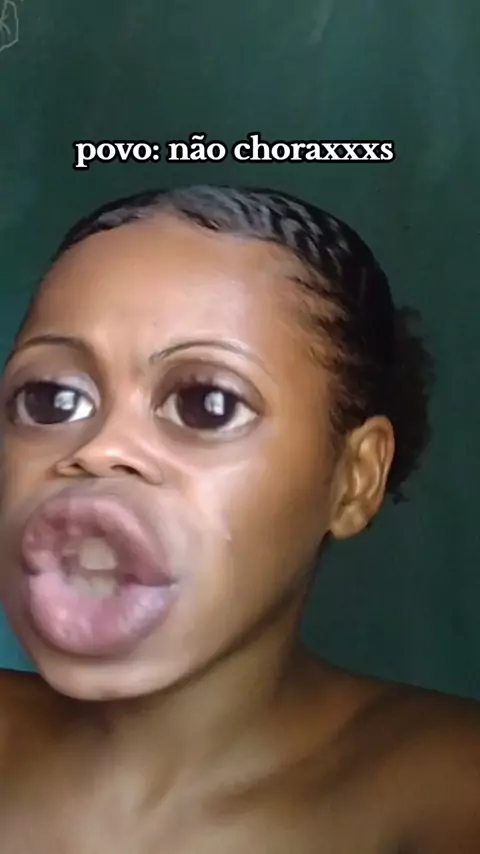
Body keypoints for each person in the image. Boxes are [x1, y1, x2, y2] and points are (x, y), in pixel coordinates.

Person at [0, 185, 478, 852]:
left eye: (207, 405)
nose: (101, 449)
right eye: (49, 398)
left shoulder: (452, 790)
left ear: (353, 479)